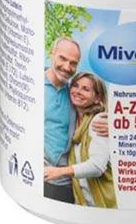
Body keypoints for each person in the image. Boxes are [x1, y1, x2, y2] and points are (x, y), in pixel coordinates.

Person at [43, 36, 107, 203]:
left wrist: (116, 126)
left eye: (73, 63)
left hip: (66, 182)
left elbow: (97, 107)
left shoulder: (72, 93)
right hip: (36, 173)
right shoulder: (33, 84)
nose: (67, 67)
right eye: (62, 58)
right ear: (52, 53)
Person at [43, 72, 116, 208]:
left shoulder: (98, 121)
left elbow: (97, 166)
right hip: (82, 201)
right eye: (75, 85)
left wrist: (58, 171)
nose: (78, 91)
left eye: (86, 89)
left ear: (97, 98)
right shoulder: (74, 120)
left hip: (102, 203)